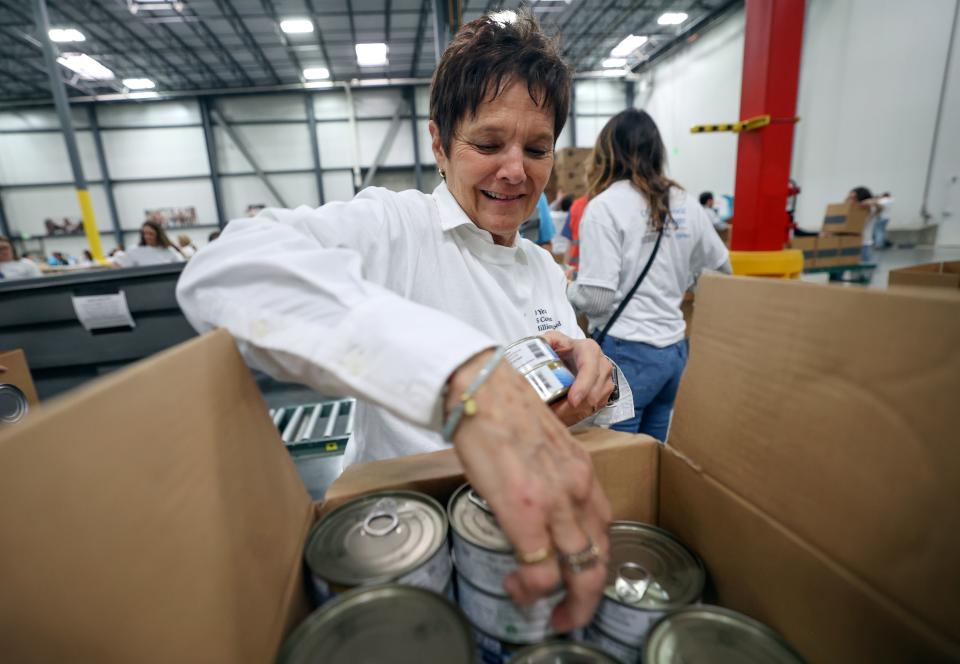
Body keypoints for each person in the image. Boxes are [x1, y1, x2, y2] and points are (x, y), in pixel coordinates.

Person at [178, 10, 625, 631]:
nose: (516, 171)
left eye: (537, 148)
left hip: (508, 537)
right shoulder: (396, 227)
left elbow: (561, 398)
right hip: (399, 542)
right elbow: (225, 269)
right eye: (488, 144)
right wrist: (461, 376)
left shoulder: (543, 269)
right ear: (440, 144)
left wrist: (586, 382)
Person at [568, 109, 730, 443]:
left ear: (607, 151)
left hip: (629, 354)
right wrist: (681, 282)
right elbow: (721, 269)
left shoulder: (605, 206)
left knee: (619, 457)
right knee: (652, 454)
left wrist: (564, 286)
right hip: (674, 351)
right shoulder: (685, 202)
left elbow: (598, 299)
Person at [114, 221, 184, 268]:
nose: (147, 237)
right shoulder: (134, 250)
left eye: (151, 234)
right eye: (144, 234)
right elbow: (119, 265)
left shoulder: (169, 250)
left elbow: (181, 266)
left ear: (158, 234)